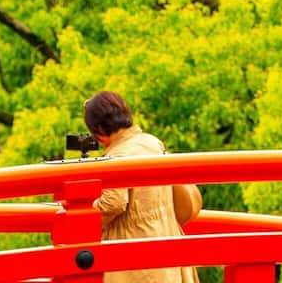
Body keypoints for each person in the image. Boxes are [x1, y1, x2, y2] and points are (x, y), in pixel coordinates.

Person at [83, 91, 200, 283]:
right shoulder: (151, 142)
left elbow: (114, 203)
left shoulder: (118, 156)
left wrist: (84, 212)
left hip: (135, 248)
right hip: (166, 238)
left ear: (99, 130)